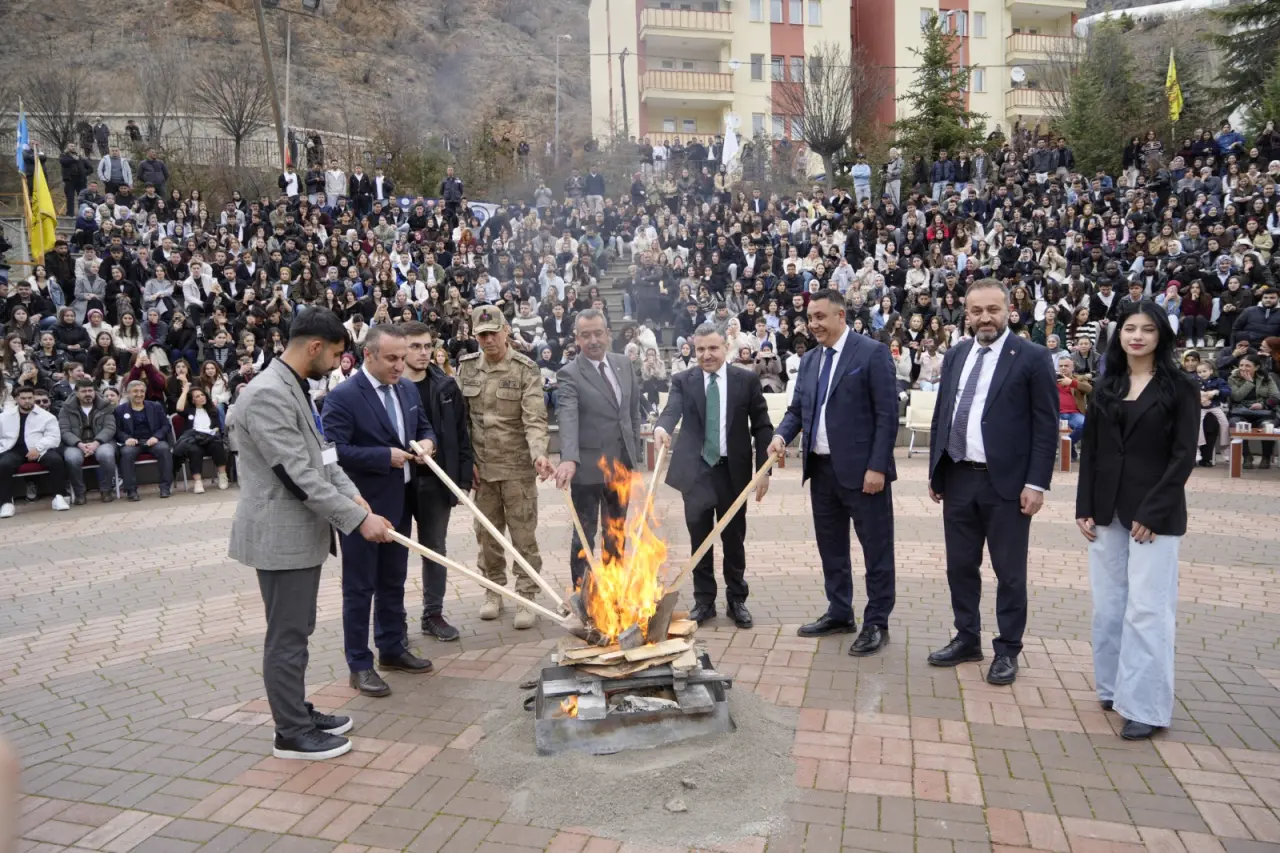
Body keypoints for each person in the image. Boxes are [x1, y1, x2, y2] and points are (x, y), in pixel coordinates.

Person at [228, 308, 395, 761]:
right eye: (338, 353)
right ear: (315, 347)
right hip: (280, 535)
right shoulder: (267, 394)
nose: (341, 362)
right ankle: (291, 732)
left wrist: (356, 499)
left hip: (300, 533)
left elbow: (324, 457)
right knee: (287, 634)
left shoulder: (292, 386)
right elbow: (296, 474)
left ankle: (296, 710)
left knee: (296, 628)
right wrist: (359, 521)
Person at [1075, 303, 1198, 740]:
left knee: (1147, 610)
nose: (1138, 336)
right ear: (1119, 335)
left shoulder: (1181, 387)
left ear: (1161, 335)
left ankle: (1145, 706)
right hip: (1105, 510)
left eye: (1148, 329)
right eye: (1130, 328)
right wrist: (1084, 505)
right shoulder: (1107, 384)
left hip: (1154, 515)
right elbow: (1091, 450)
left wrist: (1153, 510)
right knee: (1109, 608)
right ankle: (1111, 687)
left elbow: (1185, 456)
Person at [927, 279, 1059, 685]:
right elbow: (943, 411)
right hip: (959, 478)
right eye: (976, 311)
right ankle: (967, 638)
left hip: (1007, 485)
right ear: (966, 314)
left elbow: (1045, 426)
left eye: (993, 310)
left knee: (1009, 572)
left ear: (1009, 312)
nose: (985, 318)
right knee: (960, 567)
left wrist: (1036, 483)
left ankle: (1007, 649)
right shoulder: (957, 354)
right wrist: (937, 468)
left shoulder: (1032, 357)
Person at [769, 290, 898, 655]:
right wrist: (781, 435)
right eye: (810, 318)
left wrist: (877, 467)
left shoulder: (871, 353)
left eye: (821, 317)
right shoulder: (809, 360)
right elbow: (797, 410)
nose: (814, 325)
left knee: (876, 549)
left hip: (864, 475)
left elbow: (887, 416)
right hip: (821, 471)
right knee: (832, 549)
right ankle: (840, 612)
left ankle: (877, 622)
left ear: (841, 316)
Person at [321, 325, 437, 698]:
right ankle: (359, 664)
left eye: (402, 358)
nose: (400, 365)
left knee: (394, 580)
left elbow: (423, 426)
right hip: (362, 507)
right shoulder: (343, 397)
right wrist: (381, 457)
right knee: (359, 587)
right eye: (391, 358)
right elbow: (331, 453)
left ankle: (392, 648)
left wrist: (427, 443)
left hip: (401, 502)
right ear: (367, 355)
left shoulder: (405, 389)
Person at [655, 323, 774, 628]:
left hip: (732, 472)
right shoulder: (684, 380)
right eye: (700, 349)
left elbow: (762, 426)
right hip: (696, 473)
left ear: (725, 348)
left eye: (712, 348)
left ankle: (737, 600)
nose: (706, 355)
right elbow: (672, 410)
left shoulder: (745, 381)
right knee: (700, 538)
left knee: (734, 539)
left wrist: (764, 471)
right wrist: (661, 428)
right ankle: (704, 601)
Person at [456, 305, 554, 628]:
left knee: (523, 535)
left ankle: (526, 594)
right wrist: (464, 462)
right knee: (487, 536)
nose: (488, 341)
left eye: (493, 333)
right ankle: (493, 591)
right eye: (481, 335)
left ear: (506, 330)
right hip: (482, 471)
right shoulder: (467, 369)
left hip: (517, 469)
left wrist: (540, 453)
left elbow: (535, 418)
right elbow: (461, 423)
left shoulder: (526, 370)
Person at [553, 308, 643, 590]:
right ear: (577, 339)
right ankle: (581, 592)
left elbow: (632, 413)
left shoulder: (623, 364)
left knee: (616, 532)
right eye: (585, 335)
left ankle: (614, 590)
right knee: (584, 534)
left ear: (608, 334)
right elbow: (567, 415)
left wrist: (635, 455)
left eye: (598, 333)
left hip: (621, 465)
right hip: (588, 468)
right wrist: (568, 458)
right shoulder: (568, 374)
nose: (593, 340)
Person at [403, 321, 473, 642]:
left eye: (427, 346)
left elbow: (461, 434)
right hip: (398, 483)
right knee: (394, 552)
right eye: (414, 346)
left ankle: (432, 614)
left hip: (436, 481)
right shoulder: (388, 387)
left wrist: (462, 480)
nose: (422, 353)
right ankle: (394, 621)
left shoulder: (445, 386)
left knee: (435, 549)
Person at [0, 386, 71, 518]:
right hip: (13, 449)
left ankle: (59, 497)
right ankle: (5, 503)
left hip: (39, 449)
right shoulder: (4, 417)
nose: (27, 401)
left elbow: (54, 437)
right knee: (4, 465)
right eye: (23, 398)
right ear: (16, 399)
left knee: (56, 461)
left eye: (30, 398)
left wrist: (38, 448)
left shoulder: (46, 416)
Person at [58, 378, 118, 504]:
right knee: (72, 458)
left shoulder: (105, 405)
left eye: (90, 391)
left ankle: (106, 489)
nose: (87, 394)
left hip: (101, 441)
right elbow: (64, 431)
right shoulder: (66, 408)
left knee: (106, 455)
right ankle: (80, 492)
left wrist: (96, 443)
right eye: (83, 391)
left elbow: (110, 427)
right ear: (76, 393)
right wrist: (79, 444)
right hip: (76, 443)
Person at [114, 379, 174, 501]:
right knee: (126, 453)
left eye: (142, 391)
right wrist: (126, 439)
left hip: (152, 440)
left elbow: (166, 425)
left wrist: (156, 437)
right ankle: (131, 490)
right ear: (128, 393)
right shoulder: (120, 410)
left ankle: (165, 487)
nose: (139, 394)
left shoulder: (155, 406)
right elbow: (117, 430)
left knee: (164, 449)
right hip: (133, 442)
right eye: (135, 391)